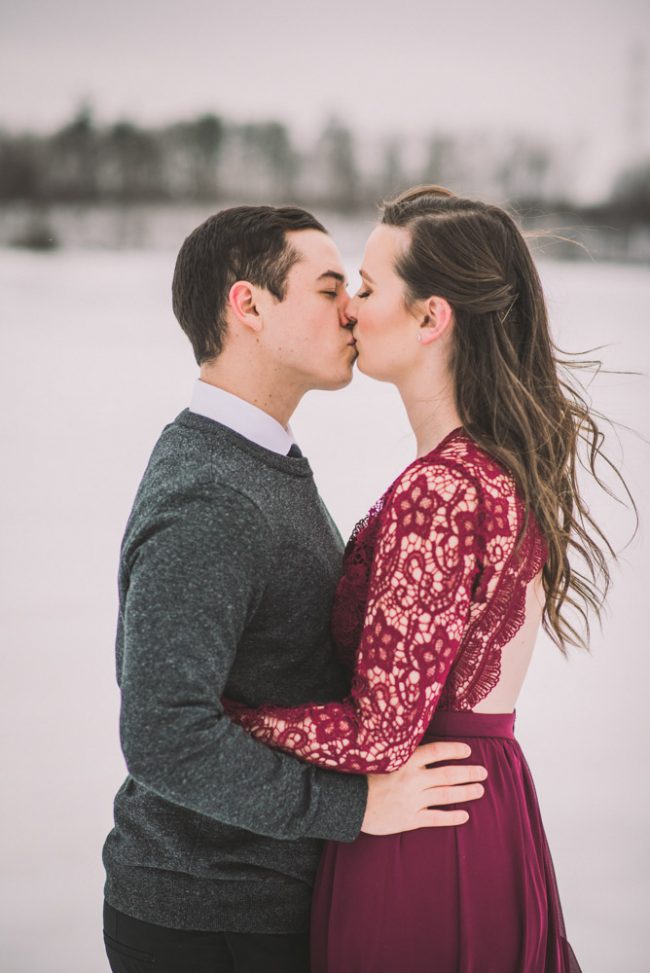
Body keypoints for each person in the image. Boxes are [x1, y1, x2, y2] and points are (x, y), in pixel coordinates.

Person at [221, 186, 608, 971]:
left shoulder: (444, 489)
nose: (349, 309)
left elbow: (382, 733)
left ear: (432, 318)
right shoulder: (495, 467)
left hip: (420, 831)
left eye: (366, 287)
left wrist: (234, 714)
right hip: (480, 805)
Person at [101, 204, 488, 973]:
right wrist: (355, 805)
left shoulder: (254, 460)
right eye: (327, 287)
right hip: (211, 917)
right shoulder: (211, 494)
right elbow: (163, 733)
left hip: (255, 905)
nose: (351, 307)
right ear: (248, 305)